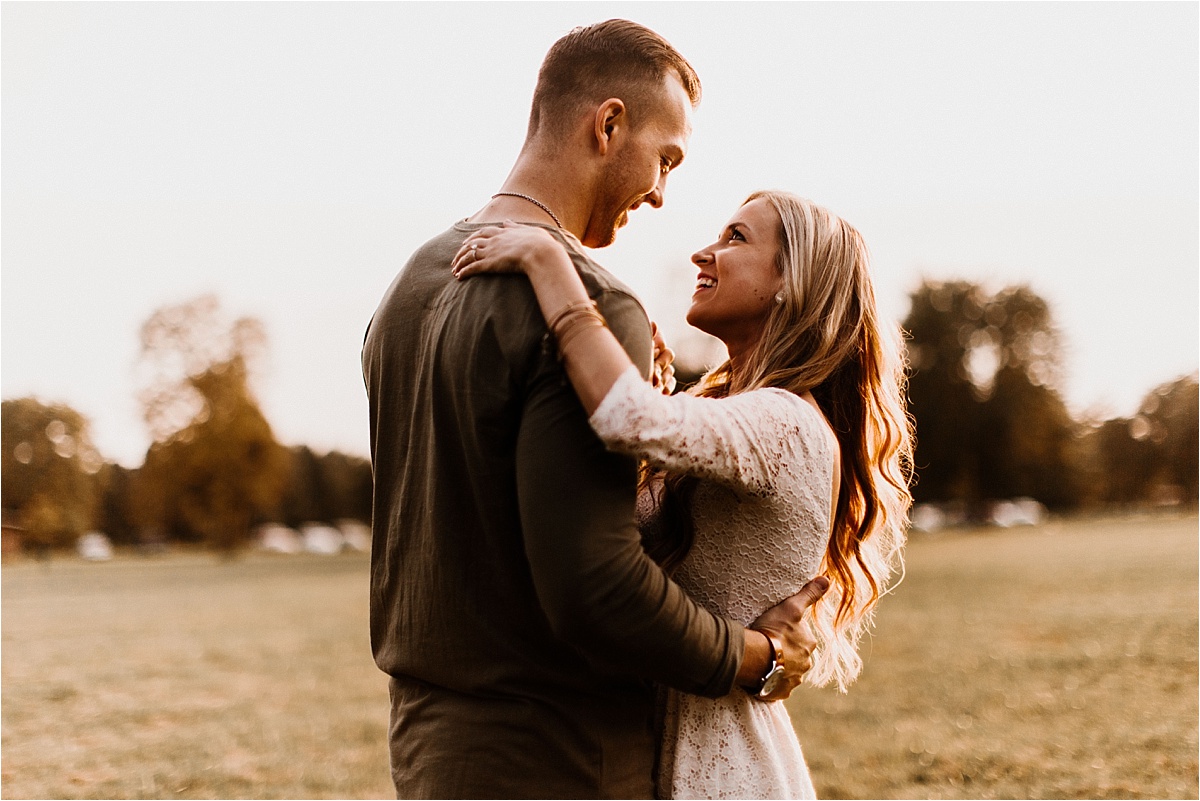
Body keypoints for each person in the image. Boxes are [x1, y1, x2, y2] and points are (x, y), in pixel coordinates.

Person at [361, 20, 828, 799]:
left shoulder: (407, 288)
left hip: (425, 748)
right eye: (665, 158)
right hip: (562, 755)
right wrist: (754, 656)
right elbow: (596, 590)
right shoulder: (586, 302)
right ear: (608, 124)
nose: (660, 191)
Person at [452, 190, 914, 798]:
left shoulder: (788, 425)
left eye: (736, 239)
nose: (705, 252)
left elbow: (629, 420)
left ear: (791, 283)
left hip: (723, 770)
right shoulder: (739, 413)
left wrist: (549, 265)